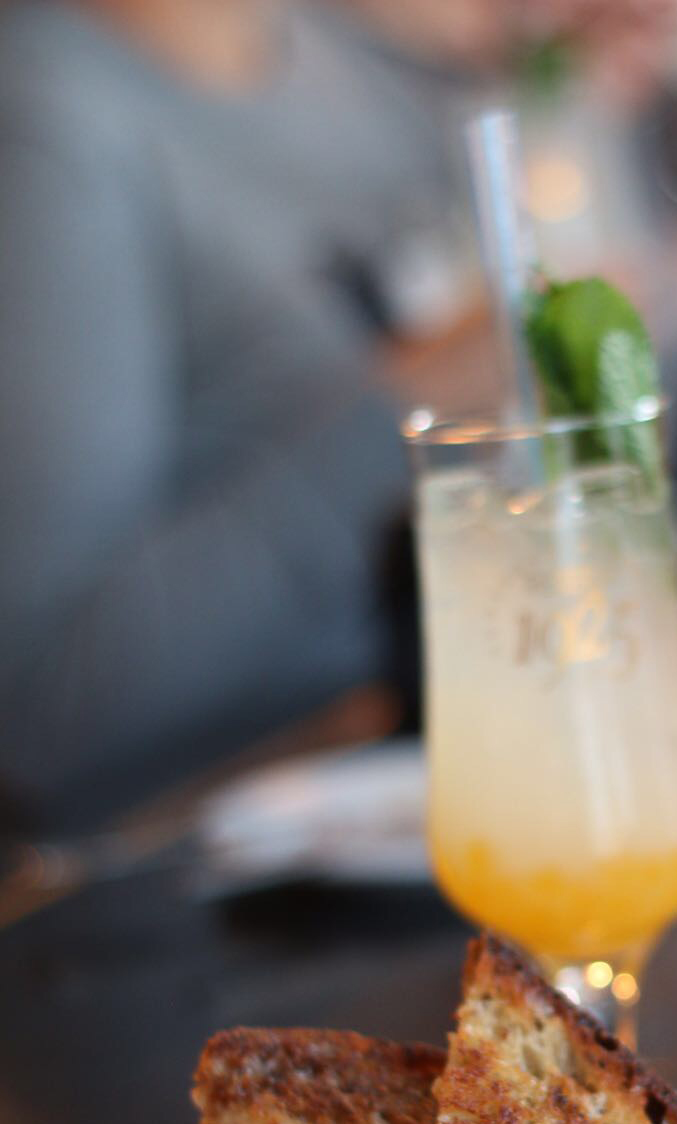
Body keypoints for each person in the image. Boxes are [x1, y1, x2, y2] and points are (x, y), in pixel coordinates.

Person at [0, 0, 488, 832]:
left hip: (442, 765)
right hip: (201, 860)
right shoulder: (48, 126)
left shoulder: (341, 69)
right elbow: (43, 715)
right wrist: (403, 421)